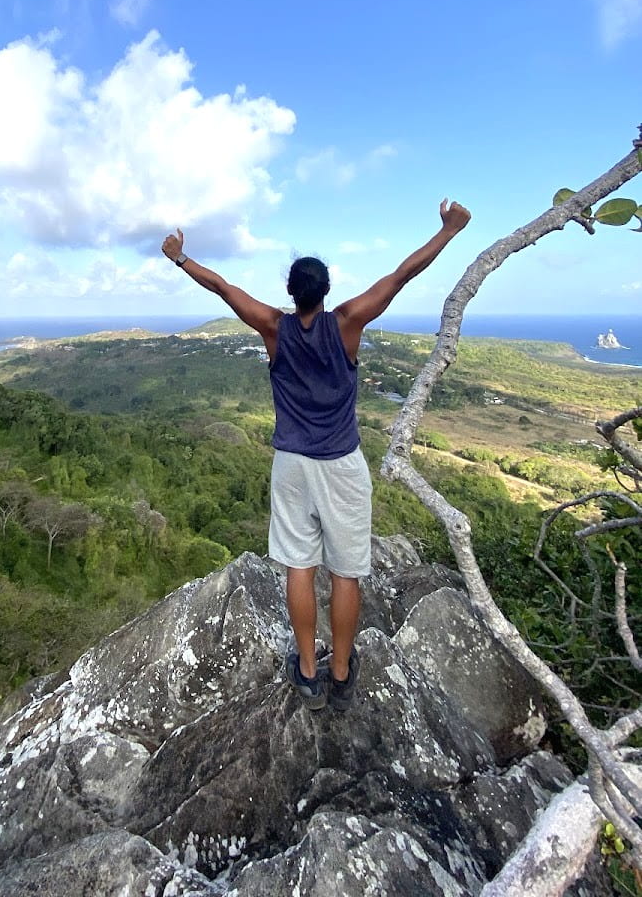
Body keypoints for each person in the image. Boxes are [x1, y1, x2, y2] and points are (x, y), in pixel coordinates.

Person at [161, 199, 471, 711]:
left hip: (291, 466)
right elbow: (401, 275)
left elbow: (223, 288)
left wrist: (179, 257)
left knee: (299, 569)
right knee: (346, 573)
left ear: (291, 292)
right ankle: (342, 672)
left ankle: (308, 672)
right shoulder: (347, 323)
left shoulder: (274, 328)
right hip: (342, 464)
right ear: (325, 291)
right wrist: (449, 231)